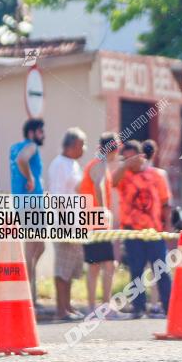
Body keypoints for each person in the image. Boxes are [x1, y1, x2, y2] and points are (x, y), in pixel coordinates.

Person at [112, 140, 171, 319]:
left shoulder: (157, 175)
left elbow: (165, 203)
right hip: (132, 231)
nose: (128, 162)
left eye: (132, 158)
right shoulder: (124, 176)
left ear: (141, 156)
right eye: (125, 158)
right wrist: (125, 165)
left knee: (161, 270)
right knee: (136, 270)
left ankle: (169, 307)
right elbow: (113, 181)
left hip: (154, 231)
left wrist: (166, 226)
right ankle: (138, 308)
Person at [78, 132, 124, 319]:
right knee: (108, 265)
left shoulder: (95, 163)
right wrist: (104, 211)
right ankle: (104, 307)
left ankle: (95, 307)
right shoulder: (99, 164)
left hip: (90, 220)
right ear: (112, 149)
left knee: (96, 266)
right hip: (95, 221)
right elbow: (97, 186)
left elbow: (81, 187)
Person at [47, 127, 87, 321]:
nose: (84, 149)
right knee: (62, 268)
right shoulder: (59, 165)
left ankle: (68, 306)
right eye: (82, 144)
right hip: (63, 224)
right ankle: (60, 310)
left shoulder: (73, 164)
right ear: (73, 145)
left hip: (75, 223)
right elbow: (57, 196)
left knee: (71, 268)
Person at [9, 118, 46, 306]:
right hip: (32, 204)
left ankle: (29, 292)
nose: (43, 135)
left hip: (22, 203)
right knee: (32, 251)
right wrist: (31, 178)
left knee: (38, 248)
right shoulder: (31, 146)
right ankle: (29, 297)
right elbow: (22, 159)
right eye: (41, 131)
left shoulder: (14, 147)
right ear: (32, 133)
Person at [141, 139, 174, 316]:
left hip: (137, 228)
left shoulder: (135, 173)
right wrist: (167, 227)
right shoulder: (160, 174)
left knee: (143, 268)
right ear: (154, 154)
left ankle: (149, 303)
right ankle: (161, 303)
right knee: (159, 268)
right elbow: (167, 203)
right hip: (156, 227)